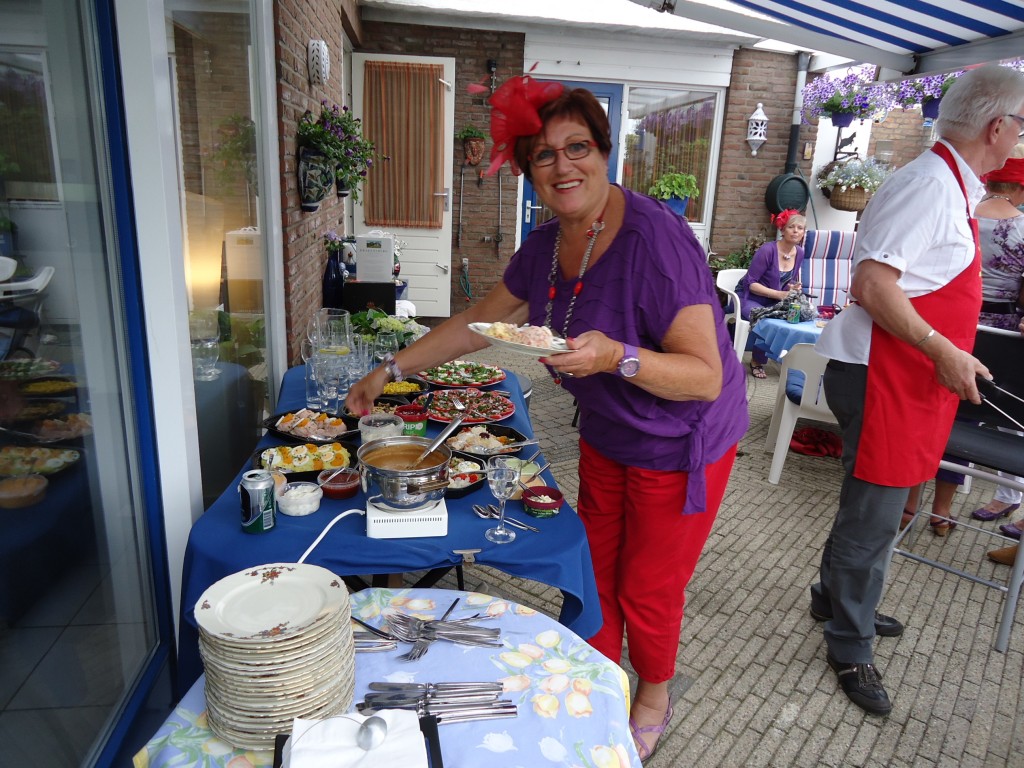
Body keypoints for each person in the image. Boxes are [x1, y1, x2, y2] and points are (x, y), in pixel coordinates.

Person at [345, 75, 749, 761]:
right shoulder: (546, 243)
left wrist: (616, 356)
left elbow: (703, 375)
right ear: (529, 170)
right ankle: (597, 678)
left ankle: (654, 694)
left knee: (648, 584)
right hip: (610, 430)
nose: (563, 166)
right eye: (544, 154)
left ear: (605, 152)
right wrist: (390, 370)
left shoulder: (657, 239)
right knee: (595, 565)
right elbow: (480, 321)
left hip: (682, 439)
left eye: (578, 147)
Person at [809, 64, 1024, 717]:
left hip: (900, 375)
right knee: (874, 514)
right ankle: (850, 642)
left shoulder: (947, 183)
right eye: (1021, 124)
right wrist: (943, 350)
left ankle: (836, 599)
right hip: (885, 374)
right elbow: (873, 285)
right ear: (998, 126)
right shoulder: (931, 186)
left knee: (869, 505)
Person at [902, 144, 1024, 537]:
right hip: (1000, 339)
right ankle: (942, 511)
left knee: (934, 410)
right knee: (971, 415)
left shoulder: (962, 213)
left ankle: (908, 505)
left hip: (949, 326)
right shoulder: (1022, 228)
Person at [735, 210, 806, 378]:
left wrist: (792, 288)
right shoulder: (768, 250)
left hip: (773, 300)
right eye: (791, 227)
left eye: (800, 228)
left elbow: (787, 281)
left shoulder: (799, 253)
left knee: (799, 316)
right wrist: (779, 294)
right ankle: (757, 361)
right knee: (767, 319)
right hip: (749, 297)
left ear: (804, 233)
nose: (795, 231)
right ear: (782, 229)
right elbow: (750, 283)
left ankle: (792, 362)